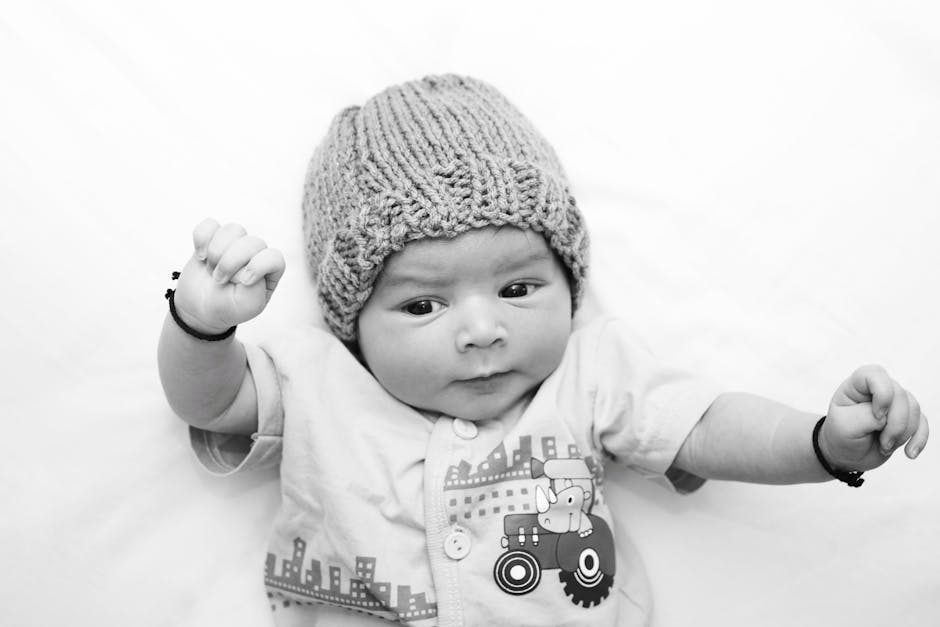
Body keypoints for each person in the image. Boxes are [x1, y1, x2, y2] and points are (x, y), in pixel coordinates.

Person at [158, 74, 928, 627]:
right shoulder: (317, 380)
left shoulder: (588, 373)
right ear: (353, 318)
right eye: (423, 304)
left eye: (518, 290)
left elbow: (705, 424)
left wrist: (822, 442)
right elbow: (212, 400)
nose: (482, 330)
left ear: (567, 279)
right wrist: (200, 324)